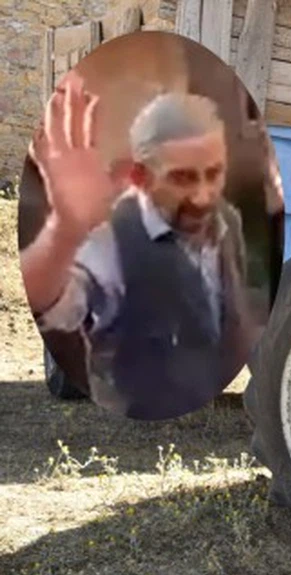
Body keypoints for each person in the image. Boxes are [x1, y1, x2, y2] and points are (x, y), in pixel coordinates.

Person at [20, 76, 262, 420]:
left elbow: (233, 305)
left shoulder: (226, 221)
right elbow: (57, 304)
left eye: (213, 173)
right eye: (182, 178)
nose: (204, 195)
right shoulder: (108, 237)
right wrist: (64, 232)